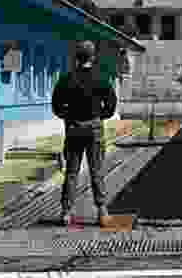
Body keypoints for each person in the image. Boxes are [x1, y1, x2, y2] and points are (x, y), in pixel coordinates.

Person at [51, 40, 117, 227]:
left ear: (76, 58)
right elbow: (111, 105)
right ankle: (102, 212)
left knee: (71, 172)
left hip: (73, 129)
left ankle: (66, 212)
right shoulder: (101, 78)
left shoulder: (66, 79)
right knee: (96, 170)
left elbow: (56, 106)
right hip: (94, 128)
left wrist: (68, 117)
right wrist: (99, 116)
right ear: (93, 57)